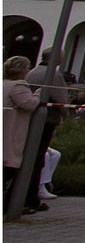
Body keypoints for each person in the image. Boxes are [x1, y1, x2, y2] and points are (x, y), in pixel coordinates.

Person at [20, 55, 68, 213]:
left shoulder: (32, 72)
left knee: (33, 156)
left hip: (31, 118)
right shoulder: (54, 74)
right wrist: (64, 113)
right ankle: (31, 197)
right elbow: (60, 97)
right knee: (38, 157)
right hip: (47, 118)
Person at [4, 57, 42, 209]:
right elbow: (29, 104)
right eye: (27, 68)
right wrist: (38, 94)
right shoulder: (18, 86)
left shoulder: (3, 84)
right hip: (12, 130)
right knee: (8, 166)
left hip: (6, 127)